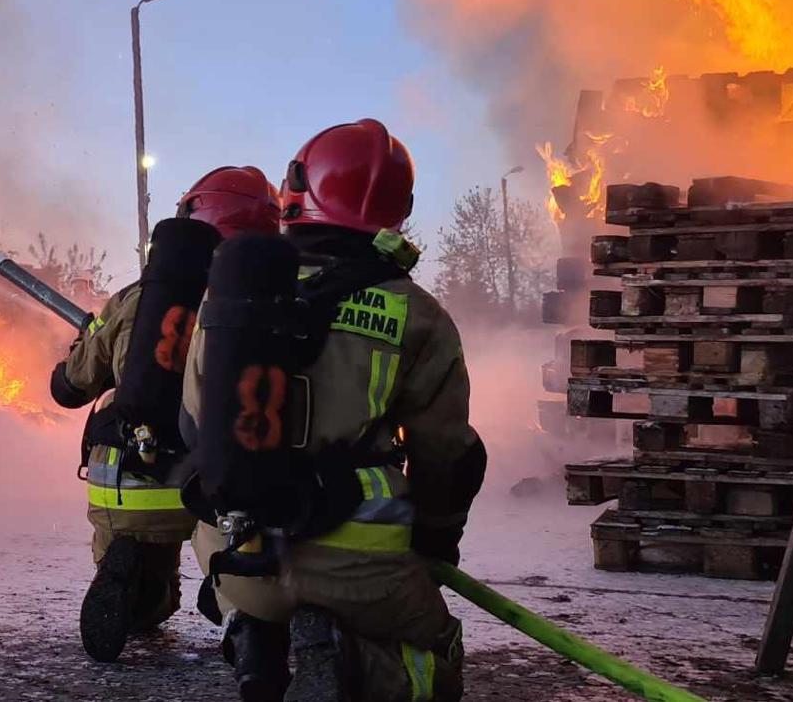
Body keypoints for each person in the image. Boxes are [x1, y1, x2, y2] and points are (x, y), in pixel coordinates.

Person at [183, 119, 485, 701]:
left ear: (296, 187)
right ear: (400, 210)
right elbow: (447, 452)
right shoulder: (417, 313)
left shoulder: (225, 297)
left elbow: (194, 422)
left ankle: (251, 631)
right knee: (434, 656)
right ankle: (350, 662)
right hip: (360, 564)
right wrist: (437, 541)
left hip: (237, 555)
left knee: (243, 576)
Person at [49, 165, 280, 663]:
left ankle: (130, 577)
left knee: (147, 607)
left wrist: (90, 344)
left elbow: (70, 387)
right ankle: (230, 587)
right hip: (217, 490)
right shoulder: (269, 308)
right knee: (248, 549)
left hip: (128, 482)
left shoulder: (136, 299)